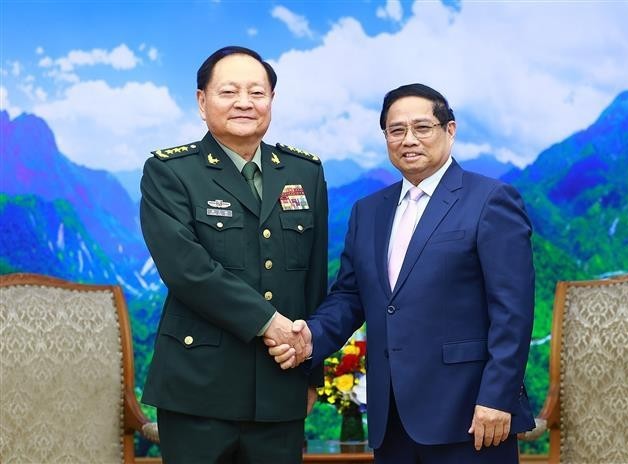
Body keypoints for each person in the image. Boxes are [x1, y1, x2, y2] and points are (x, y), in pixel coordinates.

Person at [267, 83, 535, 463]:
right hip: (390, 417)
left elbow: (513, 311)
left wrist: (497, 397)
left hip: (471, 416)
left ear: (450, 130)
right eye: (396, 130)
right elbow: (349, 296)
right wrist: (310, 338)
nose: (409, 139)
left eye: (422, 127)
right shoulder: (368, 210)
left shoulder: (491, 200)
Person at [140, 46, 328, 464]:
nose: (245, 102)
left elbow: (314, 280)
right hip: (197, 389)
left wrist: (311, 370)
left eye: (257, 92)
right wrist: (268, 323)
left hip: (281, 387)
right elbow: (186, 270)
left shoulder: (305, 173)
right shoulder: (170, 172)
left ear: (272, 102)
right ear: (202, 102)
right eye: (229, 91)